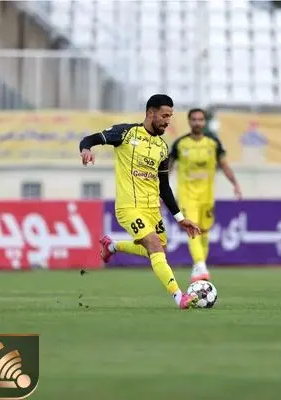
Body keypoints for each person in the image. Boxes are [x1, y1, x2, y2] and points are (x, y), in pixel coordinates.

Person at [80, 94, 202, 309]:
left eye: (170, 116)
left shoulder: (162, 148)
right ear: (150, 113)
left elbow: (164, 187)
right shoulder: (126, 133)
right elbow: (89, 139)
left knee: (157, 249)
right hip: (129, 208)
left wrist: (180, 218)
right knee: (154, 245)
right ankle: (179, 297)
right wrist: (86, 150)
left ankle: (112, 246)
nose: (168, 121)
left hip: (152, 209)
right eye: (164, 116)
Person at [169, 108, 242, 282]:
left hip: (206, 196)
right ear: (189, 121)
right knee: (192, 228)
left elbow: (224, 165)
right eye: (194, 119)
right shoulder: (180, 144)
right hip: (187, 196)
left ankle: (199, 268)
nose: (197, 122)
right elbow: (168, 167)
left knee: (204, 233)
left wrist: (235, 184)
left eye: (200, 119)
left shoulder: (213, 143)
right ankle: (201, 265)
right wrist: (159, 190)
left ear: (204, 122)